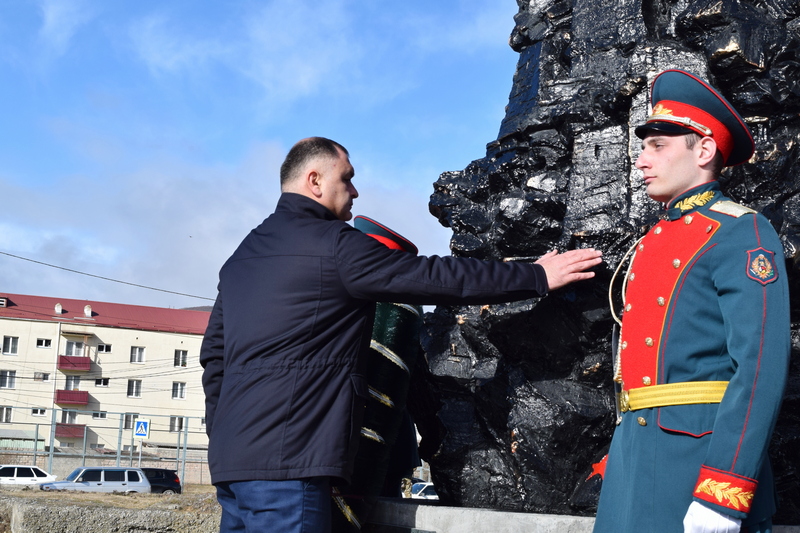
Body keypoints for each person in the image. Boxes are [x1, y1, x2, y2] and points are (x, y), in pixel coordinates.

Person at [200, 136, 603, 533]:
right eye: (347, 177)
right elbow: (433, 277)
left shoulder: (241, 257)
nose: (355, 191)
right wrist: (535, 275)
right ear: (315, 181)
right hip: (292, 466)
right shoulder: (334, 245)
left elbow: (214, 360)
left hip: (232, 467)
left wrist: (224, 439)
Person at [594, 70, 790, 533]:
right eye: (643, 148)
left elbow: (760, 365)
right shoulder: (652, 239)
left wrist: (725, 490)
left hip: (697, 468)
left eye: (657, 146)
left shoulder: (741, 231)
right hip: (635, 464)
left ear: (703, 150)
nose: (641, 161)